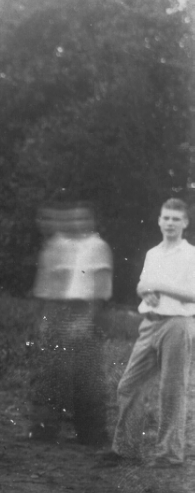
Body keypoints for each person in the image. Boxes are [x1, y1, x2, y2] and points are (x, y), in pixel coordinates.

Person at [98, 198, 195, 468]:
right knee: (129, 384)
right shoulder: (154, 253)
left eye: (176, 219)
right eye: (166, 218)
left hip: (178, 323)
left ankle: (169, 455)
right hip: (149, 324)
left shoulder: (191, 255)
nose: (170, 223)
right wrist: (147, 291)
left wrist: (160, 286)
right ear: (159, 220)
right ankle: (125, 448)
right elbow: (143, 284)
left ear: (185, 223)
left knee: (171, 390)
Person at [29, 202, 112, 446]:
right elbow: (45, 288)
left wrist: (88, 319)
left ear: (91, 221)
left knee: (87, 376)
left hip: (88, 309)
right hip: (57, 311)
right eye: (72, 219)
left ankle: (91, 433)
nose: (77, 224)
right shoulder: (57, 245)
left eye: (82, 219)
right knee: (51, 373)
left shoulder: (98, 246)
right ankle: (44, 430)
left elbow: (100, 289)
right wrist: (43, 320)